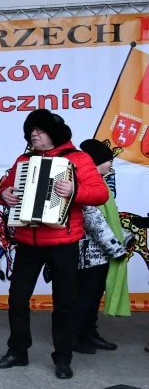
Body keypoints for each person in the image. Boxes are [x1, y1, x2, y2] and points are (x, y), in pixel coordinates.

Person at [0, 110, 109, 380]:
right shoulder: (24, 160)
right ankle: (18, 351)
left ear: (54, 134)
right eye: (31, 131)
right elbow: (4, 188)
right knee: (17, 299)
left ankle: (63, 358)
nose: (34, 135)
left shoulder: (78, 159)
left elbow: (101, 193)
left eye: (40, 131)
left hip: (62, 242)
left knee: (64, 303)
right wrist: (4, 194)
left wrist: (75, 191)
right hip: (27, 242)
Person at [74, 139, 132, 354]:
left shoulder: (101, 183)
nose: (112, 165)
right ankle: (75, 337)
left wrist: (125, 236)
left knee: (93, 296)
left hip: (101, 254)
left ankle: (89, 334)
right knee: (84, 297)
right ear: (98, 161)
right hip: (87, 255)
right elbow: (94, 222)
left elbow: (111, 221)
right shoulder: (86, 184)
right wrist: (117, 249)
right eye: (109, 160)